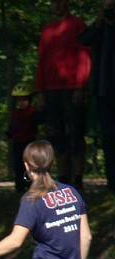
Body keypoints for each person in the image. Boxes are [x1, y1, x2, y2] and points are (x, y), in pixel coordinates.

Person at [35, 0, 91, 189]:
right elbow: (41, 61)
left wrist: (80, 86)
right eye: (53, 2)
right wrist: (40, 91)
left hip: (72, 89)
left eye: (60, 1)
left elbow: (84, 57)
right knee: (55, 134)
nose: (57, 5)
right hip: (51, 90)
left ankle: (78, 178)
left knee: (76, 133)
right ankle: (63, 177)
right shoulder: (47, 30)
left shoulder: (77, 25)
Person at [80, 0, 115, 191]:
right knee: (108, 137)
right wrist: (100, 20)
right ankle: (112, 181)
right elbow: (84, 39)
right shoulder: (100, 28)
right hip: (104, 90)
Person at [7, 83, 39, 192]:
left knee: (30, 165)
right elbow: (12, 127)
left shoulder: (33, 112)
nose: (21, 103)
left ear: (29, 100)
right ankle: (19, 185)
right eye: (19, 100)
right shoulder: (15, 113)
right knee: (18, 165)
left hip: (29, 142)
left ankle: (30, 183)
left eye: (24, 100)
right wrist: (8, 133)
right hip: (17, 143)